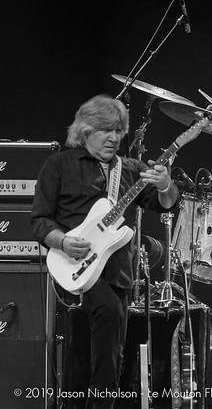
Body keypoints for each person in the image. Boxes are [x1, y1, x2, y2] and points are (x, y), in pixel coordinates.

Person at [31, 94, 180, 409]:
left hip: (116, 271)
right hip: (72, 264)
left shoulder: (130, 169)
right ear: (85, 131)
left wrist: (166, 185)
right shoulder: (59, 165)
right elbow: (40, 220)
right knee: (110, 313)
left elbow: (164, 204)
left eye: (118, 131)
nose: (114, 138)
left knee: (113, 354)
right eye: (106, 130)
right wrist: (62, 241)